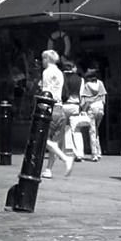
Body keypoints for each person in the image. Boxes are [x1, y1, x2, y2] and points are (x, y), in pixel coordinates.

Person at [40, 49, 74, 178]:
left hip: (50, 108)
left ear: (47, 59)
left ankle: (65, 158)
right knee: (53, 140)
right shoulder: (60, 73)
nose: (42, 61)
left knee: (44, 140)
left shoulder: (46, 72)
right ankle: (48, 170)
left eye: (43, 59)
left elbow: (46, 92)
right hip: (60, 109)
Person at [79, 67, 107, 162]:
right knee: (96, 130)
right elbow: (103, 98)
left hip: (92, 108)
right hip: (100, 108)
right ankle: (99, 152)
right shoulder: (101, 83)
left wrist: (83, 110)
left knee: (92, 131)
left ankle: (94, 154)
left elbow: (86, 101)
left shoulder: (87, 86)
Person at [61, 59, 84, 161]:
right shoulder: (80, 79)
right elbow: (82, 96)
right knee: (76, 130)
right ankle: (79, 153)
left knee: (64, 129)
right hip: (75, 105)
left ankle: (65, 151)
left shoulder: (61, 77)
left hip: (63, 105)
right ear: (72, 68)